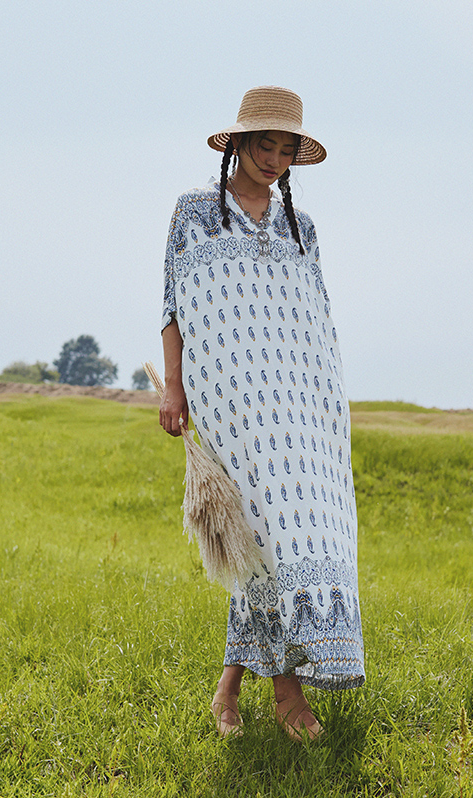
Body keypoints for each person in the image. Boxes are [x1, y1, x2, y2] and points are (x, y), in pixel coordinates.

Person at [159, 86, 364, 742]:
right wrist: (174, 389)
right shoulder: (194, 213)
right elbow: (172, 306)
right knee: (267, 536)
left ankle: (227, 690)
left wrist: (327, 402)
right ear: (238, 145)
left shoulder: (303, 228)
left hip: (300, 403)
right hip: (229, 401)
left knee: (276, 541)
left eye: (286, 148)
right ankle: (288, 696)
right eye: (264, 144)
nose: (275, 158)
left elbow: (316, 320)